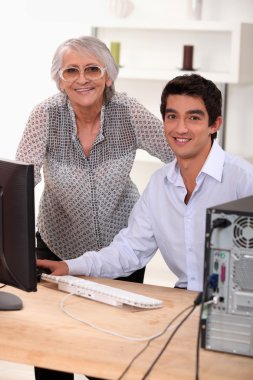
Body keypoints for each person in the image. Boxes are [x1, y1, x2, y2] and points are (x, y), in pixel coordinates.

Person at [16, 36, 174, 380]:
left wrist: (166, 208)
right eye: (71, 70)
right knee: (53, 350)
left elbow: (175, 153)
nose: (82, 79)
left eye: (92, 69)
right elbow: (21, 179)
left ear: (108, 75)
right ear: (60, 78)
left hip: (121, 250)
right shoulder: (45, 114)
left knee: (109, 355)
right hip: (57, 244)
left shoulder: (127, 111)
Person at [37, 73, 253, 292]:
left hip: (237, 305)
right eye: (172, 117)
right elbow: (130, 250)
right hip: (185, 299)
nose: (180, 128)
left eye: (193, 118)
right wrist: (69, 266)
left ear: (215, 124)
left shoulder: (243, 181)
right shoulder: (160, 185)